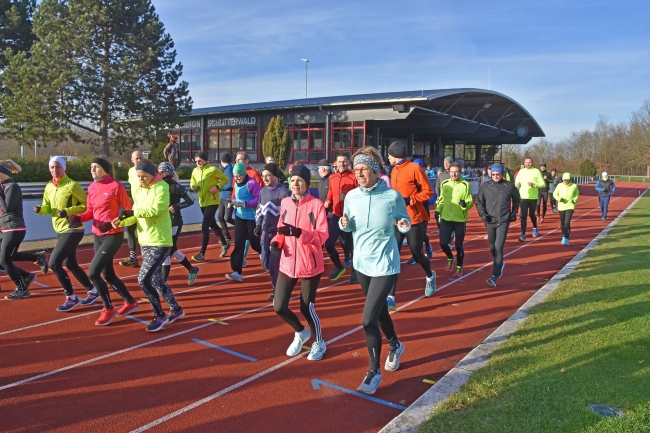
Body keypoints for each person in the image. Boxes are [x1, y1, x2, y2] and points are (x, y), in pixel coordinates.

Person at [340, 146, 410, 395]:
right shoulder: (351, 197)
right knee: (380, 314)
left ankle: (373, 371)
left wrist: (403, 224)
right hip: (362, 265)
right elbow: (347, 226)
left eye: (363, 169)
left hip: (385, 264)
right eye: (356, 169)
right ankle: (396, 345)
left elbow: (404, 221)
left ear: (375, 170)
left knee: (368, 319)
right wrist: (343, 224)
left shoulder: (392, 196)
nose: (359, 174)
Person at [113, 160, 184, 332]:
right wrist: (122, 220)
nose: (141, 180)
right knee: (157, 280)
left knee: (143, 279)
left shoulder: (162, 188)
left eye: (144, 176)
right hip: (145, 240)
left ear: (153, 174)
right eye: (138, 177)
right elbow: (136, 215)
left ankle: (159, 314)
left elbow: (156, 210)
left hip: (160, 240)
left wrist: (133, 212)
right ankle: (176, 309)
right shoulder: (140, 191)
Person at [68, 157, 139, 326]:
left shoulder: (116, 187)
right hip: (97, 235)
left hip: (113, 235)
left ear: (106, 169)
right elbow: (90, 212)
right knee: (108, 274)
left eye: (96, 167)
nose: (93, 169)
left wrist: (115, 222)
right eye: (91, 167)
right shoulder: (92, 187)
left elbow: (129, 211)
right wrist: (78, 218)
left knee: (93, 273)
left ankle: (108, 308)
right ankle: (130, 301)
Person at [270, 164, 329, 361]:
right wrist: (276, 242)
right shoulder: (285, 202)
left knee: (307, 307)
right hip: (287, 262)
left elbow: (322, 236)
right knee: (279, 306)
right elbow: (281, 227)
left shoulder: (316, 205)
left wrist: (300, 234)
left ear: (306, 183)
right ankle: (301, 332)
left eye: (300, 181)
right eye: (293, 180)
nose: (295, 184)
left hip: (310, 264)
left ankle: (319, 342)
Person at [33, 156, 98, 310]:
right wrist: (40, 210)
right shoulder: (49, 187)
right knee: (70, 263)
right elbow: (47, 207)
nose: (55, 170)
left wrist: (68, 211)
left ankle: (71, 296)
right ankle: (93, 291)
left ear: (64, 168)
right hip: (60, 229)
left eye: (58, 167)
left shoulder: (71, 185)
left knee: (54, 263)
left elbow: (85, 206)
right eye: (52, 167)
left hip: (73, 229)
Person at [386, 141, 436, 305]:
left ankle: (429, 275)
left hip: (413, 219)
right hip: (396, 220)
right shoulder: (393, 171)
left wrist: (411, 200)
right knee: (394, 256)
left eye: (389, 155)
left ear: (395, 155)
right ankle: (391, 296)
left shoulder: (415, 168)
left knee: (416, 253)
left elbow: (428, 192)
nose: (387, 158)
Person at [1, 160, 44, 300]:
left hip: (14, 228)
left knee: (5, 260)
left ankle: (22, 289)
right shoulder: (3, 187)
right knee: (3, 258)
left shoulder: (12, 187)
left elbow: (8, 208)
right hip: (4, 228)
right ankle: (28, 272)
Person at [476, 164, 520, 288]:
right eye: (494, 174)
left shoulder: (509, 186)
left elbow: (517, 199)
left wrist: (514, 212)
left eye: (498, 174)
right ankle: (499, 264)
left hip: (503, 221)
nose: (496, 176)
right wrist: (483, 215)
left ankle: (494, 276)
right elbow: (479, 202)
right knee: (492, 247)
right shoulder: (485, 186)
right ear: (491, 174)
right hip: (489, 221)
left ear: (502, 174)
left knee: (498, 246)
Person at [158, 162, 200, 285]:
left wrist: (177, 206)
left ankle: (163, 283)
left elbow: (191, 199)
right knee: (172, 250)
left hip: (174, 221)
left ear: (169, 172)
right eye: (159, 171)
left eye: (163, 171)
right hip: (163, 222)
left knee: (165, 250)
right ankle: (192, 269)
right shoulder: (158, 186)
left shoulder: (176, 187)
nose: (160, 174)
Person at [255, 163, 290, 300]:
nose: (265, 178)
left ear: (275, 176)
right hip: (265, 233)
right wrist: (258, 224)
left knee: (275, 265)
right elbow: (259, 209)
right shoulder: (263, 191)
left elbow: (288, 214)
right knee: (266, 263)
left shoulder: (284, 192)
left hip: (277, 234)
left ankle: (278, 290)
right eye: (263, 176)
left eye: (268, 175)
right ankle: (281, 281)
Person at [190, 151, 230, 262]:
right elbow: (192, 183)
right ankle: (224, 242)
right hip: (202, 202)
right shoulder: (195, 171)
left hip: (212, 202)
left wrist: (217, 187)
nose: (197, 163)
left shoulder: (213, 170)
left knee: (204, 226)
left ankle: (202, 253)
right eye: (196, 161)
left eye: (199, 161)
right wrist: (194, 187)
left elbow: (226, 179)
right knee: (212, 224)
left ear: (205, 160)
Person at [225, 162, 262, 282]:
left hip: (251, 217)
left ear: (244, 173)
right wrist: (234, 203)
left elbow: (258, 200)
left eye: (239, 175)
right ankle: (237, 271)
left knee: (255, 243)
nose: (237, 178)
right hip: (240, 217)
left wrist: (245, 203)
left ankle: (269, 255)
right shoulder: (236, 183)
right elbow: (236, 197)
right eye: (235, 175)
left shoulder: (252, 184)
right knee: (239, 243)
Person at [324, 153, 358, 282]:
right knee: (329, 244)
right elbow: (331, 194)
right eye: (339, 161)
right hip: (336, 215)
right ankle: (338, 266)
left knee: (352, 247)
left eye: (344, 161)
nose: (342, 164)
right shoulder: (332, 177)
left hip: (350, 218)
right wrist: (328, 201)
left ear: (349, 162)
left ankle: (355, 272)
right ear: (336, 163)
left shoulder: (354, 177)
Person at [436, 162, 474, 278]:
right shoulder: (444, 184)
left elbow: (470, 201)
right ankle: (450, 257)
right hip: (446, 218)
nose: (453, 174)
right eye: (452, 171)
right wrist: (438, 210)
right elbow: (441, 199)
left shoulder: (465, 185)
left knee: (458, 245)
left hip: (459, 219)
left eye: (456, 171)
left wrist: (465, 204)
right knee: (443, 243)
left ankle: (459, 267)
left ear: (460, 171)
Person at [318, 159, 350, 266]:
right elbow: (329, 196)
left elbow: (337, 195)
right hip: (326, 214)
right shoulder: (323, 181)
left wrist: (331, 210)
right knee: (327, 239)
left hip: (339, 214)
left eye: (319, 169)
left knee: (344, 239)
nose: (336, 168)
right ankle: (337, 265)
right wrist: (327, 204)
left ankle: (348, 258)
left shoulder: (335, 178)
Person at [406, 158, 433, 264]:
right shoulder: (409, 180)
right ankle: (422, 248)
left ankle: (420, 252)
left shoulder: (425, 179)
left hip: (423, 211)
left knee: (420, 235)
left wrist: (423, 199)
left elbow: (432, 195)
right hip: (410, 211)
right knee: (411, 236)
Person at [119, 150, 143, 268]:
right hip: (135, 205)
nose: (138, 160)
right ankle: (133, 257)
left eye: (140, 158)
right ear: (132, 160)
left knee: (144, 230)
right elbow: (131, 186)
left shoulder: (148, 170)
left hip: (146, 205)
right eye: (136, 158)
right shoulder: (130, 171)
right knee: (129, 228)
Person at [514, 158, 545, 242]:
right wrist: (517, 184)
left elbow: (543, 184)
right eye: (526, 162)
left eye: (529, 162)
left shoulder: (536, 171)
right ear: (524, 163)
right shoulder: (521, 171)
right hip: (523, 197)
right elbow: (517, 181)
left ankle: (535, 227)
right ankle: (523, 234)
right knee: (523, 215)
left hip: (533, 197)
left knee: (531, 215)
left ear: (532, 163)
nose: (528, 164)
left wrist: (534, 185)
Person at [553, 173, 579, 246]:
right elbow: (555, 194)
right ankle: (563, 235)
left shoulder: (574, 186)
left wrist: (574, 200)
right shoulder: (559, 186)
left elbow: (577, 194)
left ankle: (566, 238)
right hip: (561, 206)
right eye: (564, 180)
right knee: (562, 222)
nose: (565, 181)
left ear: (569, 179)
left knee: (567, 222)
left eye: (567, 180)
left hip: (570, 206)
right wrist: (559, 199)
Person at [217, 153, 234, 254]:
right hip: (223, 197)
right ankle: (227, 236)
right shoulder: (226, 169)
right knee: (220, 216)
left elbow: (229, 183)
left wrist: (219, 186)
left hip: (228, 197)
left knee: (227, 218)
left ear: (221, 161)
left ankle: (242, 226)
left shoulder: (228, 170)